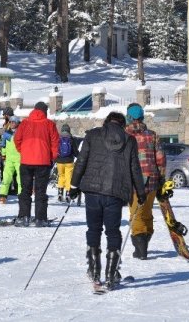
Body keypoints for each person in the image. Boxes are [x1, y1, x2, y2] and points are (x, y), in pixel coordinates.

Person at [69, 112, 146, 290]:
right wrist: (140, 192)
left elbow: (81, 161)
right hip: (115, 192)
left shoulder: (93, 135)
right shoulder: (129, 140)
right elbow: (135, 168)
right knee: (113, 232)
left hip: (92, 191)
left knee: (93, 230)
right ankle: (111, 275)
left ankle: (94, 272)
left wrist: (74, 186)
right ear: (122, 124)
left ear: (106, 122)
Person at [124, 103, 166, 260]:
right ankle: (144, 242)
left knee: (136, 214)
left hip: (133, 181)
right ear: (142, 117)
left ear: (128, 117)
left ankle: (140, 248)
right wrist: (161, 177)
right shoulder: (152, 135)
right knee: (147, 212)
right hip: (152, 179)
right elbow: (161, 158)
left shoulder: (124, 136)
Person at [14, 101, 59, 227]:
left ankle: (23, 217)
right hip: (43, 162)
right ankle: (40, 219)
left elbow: (17, 139)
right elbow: (55, 143)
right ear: (45, 111)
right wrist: (52, 157)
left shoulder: (25, 123)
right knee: (40, 191)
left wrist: (23, 151)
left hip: (26, 161)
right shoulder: (50, 124)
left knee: (25, 190)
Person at [0, 116, 21, 204]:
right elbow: (3, 146)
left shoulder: (21, 133)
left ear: (18, 123)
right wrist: (3, 155)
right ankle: (3, 195)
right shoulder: (6, 134)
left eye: (13, 122)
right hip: (9, 159)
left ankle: (21, 195)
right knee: (6, 177)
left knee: (20, 178)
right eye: (10, 122)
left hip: (20, 159)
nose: (11, 124)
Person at [55, 123, 79, 203]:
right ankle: (68, 194)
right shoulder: (71, 139)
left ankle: (60, 193)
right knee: (68, 177)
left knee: (61, 176)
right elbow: (75, 152)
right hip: (69, 161)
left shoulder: (58, 138)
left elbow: (55, 150)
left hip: (59, 161)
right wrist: (79, 157)